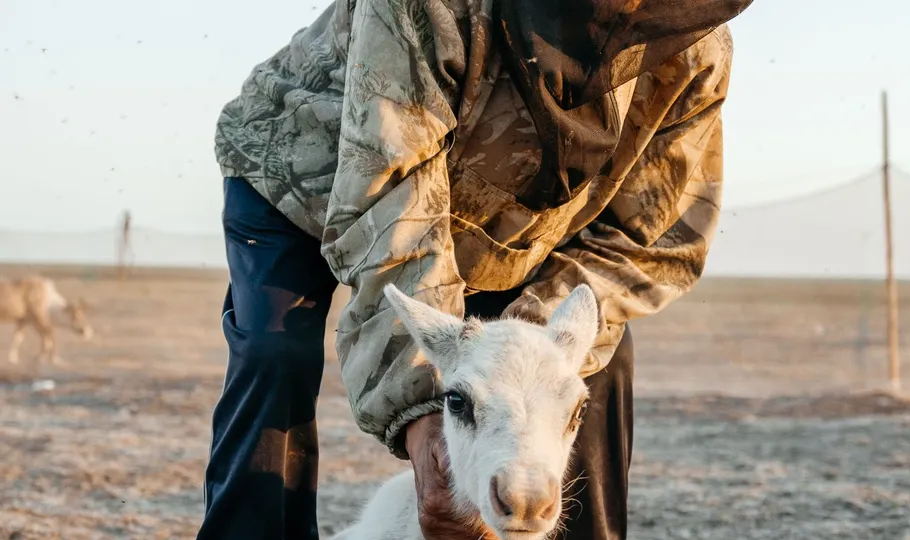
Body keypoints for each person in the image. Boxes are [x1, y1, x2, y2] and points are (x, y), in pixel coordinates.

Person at [198, 0, 754, 538]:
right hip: (306, 176)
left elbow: (650, 234)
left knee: (590, 366)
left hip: (501, 227)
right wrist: (420, 416)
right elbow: (390, 196)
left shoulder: (691, 44)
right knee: (275, 351)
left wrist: (531, 348)